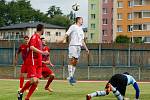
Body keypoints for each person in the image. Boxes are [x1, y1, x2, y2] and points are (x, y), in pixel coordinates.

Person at [17, 24, 49, 100]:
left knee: (36, 81)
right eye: (44, 29)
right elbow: (31, 47)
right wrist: (42, 52)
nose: (44, 30)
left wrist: (44, 53)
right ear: (42, 29)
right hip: (32, 61)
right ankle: (21, 91)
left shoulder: (39, 39)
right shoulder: (34, 37)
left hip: (38, 63)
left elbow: (38, 50)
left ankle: (27, 98)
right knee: (33, 80)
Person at [58, 17, 89, 85]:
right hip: (73, 45)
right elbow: (67, 33)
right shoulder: (73, 26)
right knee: (72, 60)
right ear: (78, 20)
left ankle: (70, 77)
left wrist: (86, 48)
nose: (82, 21)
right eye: (81, 20)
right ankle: (71, 77)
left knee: (75, 62)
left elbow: (82, 40)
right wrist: (63, 39)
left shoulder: (81, 29)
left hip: (79, 46)